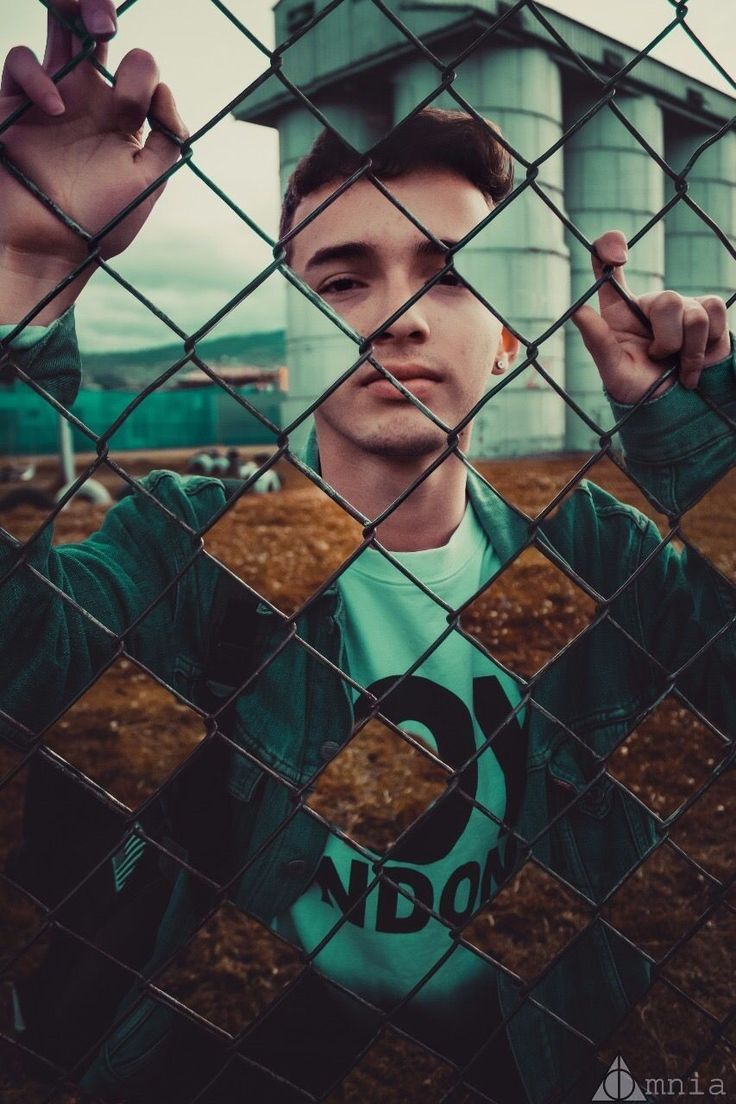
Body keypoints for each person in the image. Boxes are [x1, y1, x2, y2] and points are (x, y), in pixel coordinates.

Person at [1, 3, 734, 1103]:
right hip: (243, 1044)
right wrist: (16, 276)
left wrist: (690, 435)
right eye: (342, 279)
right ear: (288, 314)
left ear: (505, 328)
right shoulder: (194, 540)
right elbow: (20, 660)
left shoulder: (592, 550)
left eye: (446, 273)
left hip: (532, 1040)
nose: (394, 316)